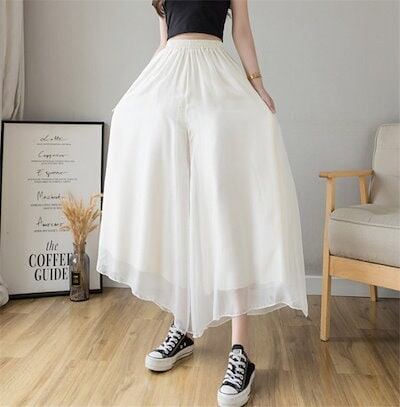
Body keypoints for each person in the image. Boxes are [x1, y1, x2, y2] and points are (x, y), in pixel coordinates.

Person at [96, 0, 308, 405]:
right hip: (170, 77)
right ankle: (184, 326)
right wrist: (135, 91)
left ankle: (241, 351)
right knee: (179, 210)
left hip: (215, 78)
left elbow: (241, 30)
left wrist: (257, 83)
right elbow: (164, 44)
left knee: (230, 212)